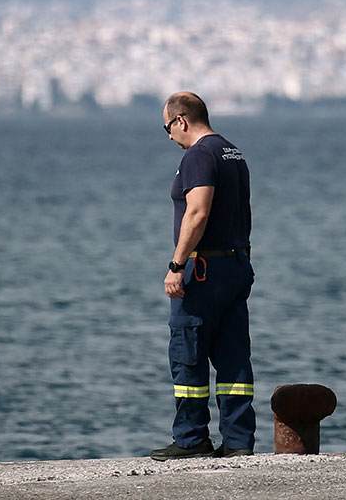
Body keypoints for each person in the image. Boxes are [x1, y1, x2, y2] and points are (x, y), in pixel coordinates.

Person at [150, 91, 256, 460]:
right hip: (236, 263)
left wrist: (177, 266)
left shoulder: (198, 155)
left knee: (188, 350)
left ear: (181, 120)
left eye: (168, 127)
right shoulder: (232, 152)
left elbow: (197, 211)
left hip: (204, 268)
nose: (168, 137)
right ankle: (239, 441)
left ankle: (192, 438)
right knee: (233, 355)